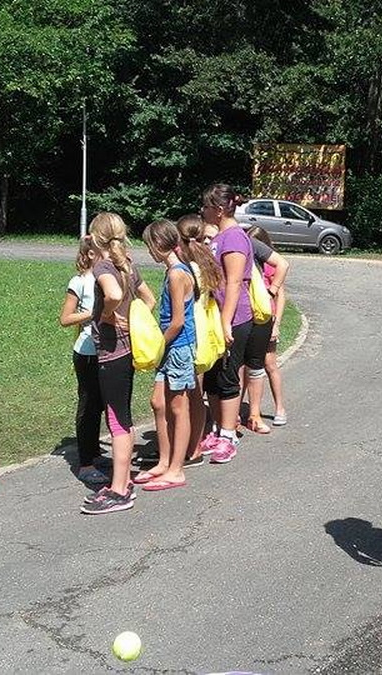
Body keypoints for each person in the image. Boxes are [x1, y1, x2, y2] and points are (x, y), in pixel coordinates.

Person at [81, 212, 155, 515]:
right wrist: (134, 321)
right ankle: (123, 482)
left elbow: (112, 294)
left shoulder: (103, 266)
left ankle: (119, 491)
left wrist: (108, 315)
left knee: (117, 421)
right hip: (126, 353)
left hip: (112, 356)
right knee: (122, 418)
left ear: (95, 238)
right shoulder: (127, 264)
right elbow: (149, 300)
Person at [135, 219, 198, 491]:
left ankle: (176, 470)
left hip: (178, 347)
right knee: (158, 402)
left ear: (160, 244)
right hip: (170, 347)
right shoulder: (171, 270)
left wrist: (156, 346)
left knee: (178, 408)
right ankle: (164, 461)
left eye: (150, 245)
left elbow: (178, 322)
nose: (149, 251)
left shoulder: (177, 274)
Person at [199, 184, 256, 464]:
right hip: (215, 316)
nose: (202, 211)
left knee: (228, 376)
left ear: (219, 209)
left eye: (206, 206)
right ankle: (216, 429)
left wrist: (225, 323)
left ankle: (228, 435)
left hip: (233, 318)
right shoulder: (220, 236)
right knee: (212, 376)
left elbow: (233, 283)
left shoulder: (234, 238)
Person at [175, 214, 225, 462]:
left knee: (190, 395)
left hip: (190, 334)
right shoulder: (205, 264)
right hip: (203, 332)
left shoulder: (188, 269)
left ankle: (191, 447)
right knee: (196, 392)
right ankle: (194, 444)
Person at [58, 237, 106, 485]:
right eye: (102, 250)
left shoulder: (107, 278)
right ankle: (86, 463)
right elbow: (65, 318)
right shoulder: (79, 282)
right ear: (89, 255)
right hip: (87, 352)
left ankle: (95, 452)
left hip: (108, 350)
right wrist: (92, 314)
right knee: (89, 405)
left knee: (102, 403)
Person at [244, 226, 291, 433]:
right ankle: (243, 410)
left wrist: (276, 324)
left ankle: (280, 407)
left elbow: (281, 296)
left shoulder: (269, 266)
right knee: (247, 365)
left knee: (270, 363)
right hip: (250, 318)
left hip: (267, 318)